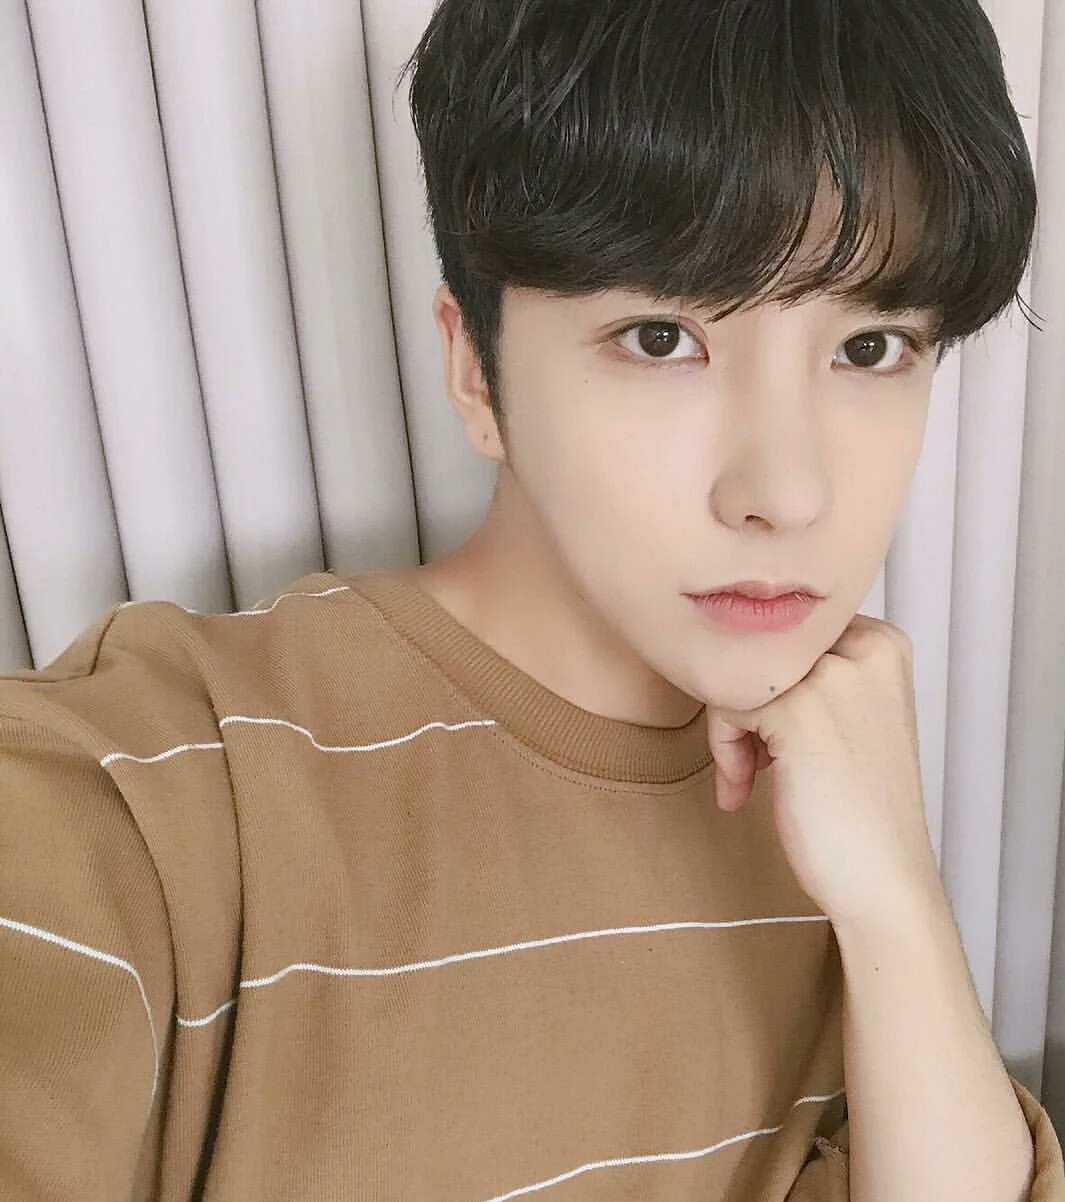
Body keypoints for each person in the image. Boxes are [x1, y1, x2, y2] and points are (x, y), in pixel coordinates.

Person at [1, 0, 1061, 1197]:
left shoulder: (834, 796)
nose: (786, 492)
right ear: (476, 369)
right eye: (659, 337)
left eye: (870, 348)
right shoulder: (161, 788)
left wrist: (899, 909)